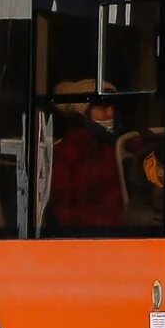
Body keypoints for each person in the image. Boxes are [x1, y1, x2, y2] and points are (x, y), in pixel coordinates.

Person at [46, 79, 126, 231]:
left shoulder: (125, 142)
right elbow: (66, 209)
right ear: (84, 113)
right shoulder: (69, 150)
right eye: (103, 108)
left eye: (114, 107)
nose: (111, 113)